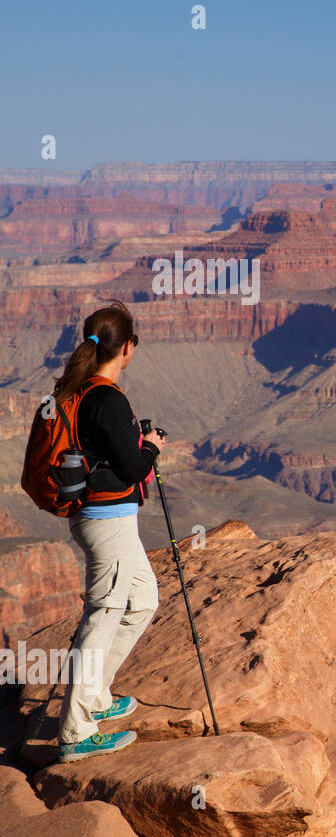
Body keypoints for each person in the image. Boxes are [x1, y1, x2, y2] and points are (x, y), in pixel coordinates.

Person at [52, 300, 167, 762]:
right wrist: (152, 448)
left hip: (101, 519)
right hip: (107, 523)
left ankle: (96, 696)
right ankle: (76, 731)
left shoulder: (80, 391)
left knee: (142, 600)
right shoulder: (108, 399)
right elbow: (133, 464)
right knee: (99, 621)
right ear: (128, 349)